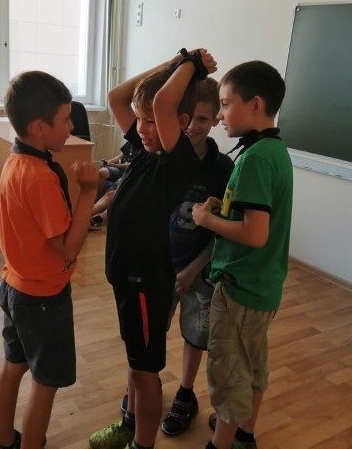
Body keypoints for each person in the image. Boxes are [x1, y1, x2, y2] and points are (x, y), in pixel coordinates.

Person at [89, 48, 217, 449]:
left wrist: (190, 64)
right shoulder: (147, 152)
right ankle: (129, 427)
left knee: (145, 374)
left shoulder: (177, 162)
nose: (142, 128)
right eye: (140, 119)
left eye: (150, 121)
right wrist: (170, 64)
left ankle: (141, 444)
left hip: (145, 285)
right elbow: (116, 97)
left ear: (181, 123)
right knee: (136, 365)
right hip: (127, 281)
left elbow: (163, 103)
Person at [117, 77, 235, 437]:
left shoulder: (222, 169)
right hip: (156, 270)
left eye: (204, 119)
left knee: (194, 334)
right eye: (188, 117)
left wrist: (193, 269)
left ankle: (185, 392)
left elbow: (221, 231)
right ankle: (139, 389)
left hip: (197, 270)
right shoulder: (159, 155)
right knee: (147, 337)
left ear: (215, 119)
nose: (193, 127)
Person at [0, 71, 99, 449]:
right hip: (42, 299)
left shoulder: (16, 161)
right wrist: (88, 192)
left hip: (15, 287)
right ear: (39, 127)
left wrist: (96, 201)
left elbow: (50, 226)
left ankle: (4, 441)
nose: (72, 127)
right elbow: (67, 248)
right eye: (66, 120)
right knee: (45, 383)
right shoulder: (40, 177)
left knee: (12, 367)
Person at [191, 60, 292, 449]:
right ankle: (244, 433)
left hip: (240, 287)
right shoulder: (273, 150)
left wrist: (206, 219)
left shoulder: (255, 159)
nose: (219, 115)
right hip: (263, 286)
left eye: (225, 104)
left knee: (229, 373)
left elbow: (254, 234)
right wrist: (225, 209)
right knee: (252, 363)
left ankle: (221, 442)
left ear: (255, 104)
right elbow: (256, 216)